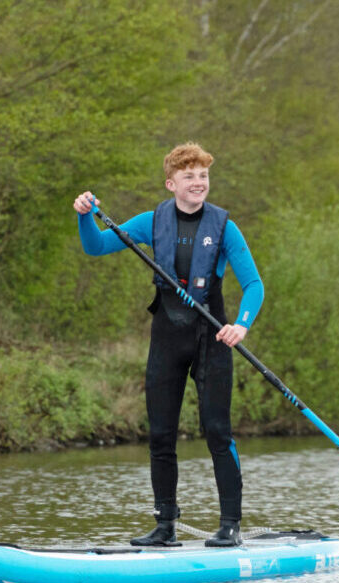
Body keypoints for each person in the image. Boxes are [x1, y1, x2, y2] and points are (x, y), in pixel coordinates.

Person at [72, 142, 264, 548]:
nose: (199, 183)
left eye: (204, 176)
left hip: (212, 338)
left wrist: (240, 326)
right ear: (171, 183)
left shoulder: (224, 226)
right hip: (166, 338)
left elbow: (253, 285)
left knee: (217, 432)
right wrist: (85, 217)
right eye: (190, 176)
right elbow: (96, 246)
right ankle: (165, 527)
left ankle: (229, 524)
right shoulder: (150, 221)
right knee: (160, 435)